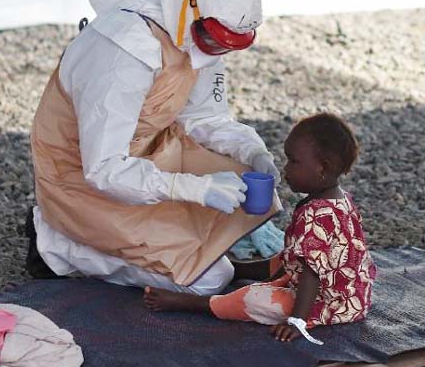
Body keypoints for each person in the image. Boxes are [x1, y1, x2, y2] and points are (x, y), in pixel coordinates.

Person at [26, 0, 281, 296]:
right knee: (209, 279)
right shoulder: (124, 50)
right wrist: (195, 189)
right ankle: (57, 243)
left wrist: (255, 152)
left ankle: (169, 241)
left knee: (245, 177)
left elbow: (205, 118)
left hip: (149, 151)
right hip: (82, 178)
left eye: (226, 46)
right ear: (191, 10)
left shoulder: (198, 31)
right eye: (213, 40)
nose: (215, 52)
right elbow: (103, 169)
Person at [143, 113, 377, 342]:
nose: (286, 169)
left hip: (330, 302)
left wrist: (297, 321)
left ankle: (193, 303)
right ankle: (239, 270)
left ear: (322, 169)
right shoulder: (340, 199)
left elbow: (312, 274)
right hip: (353, 293)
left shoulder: (316, 215)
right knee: (287, 258)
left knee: (254, 298)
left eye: (293, 161)